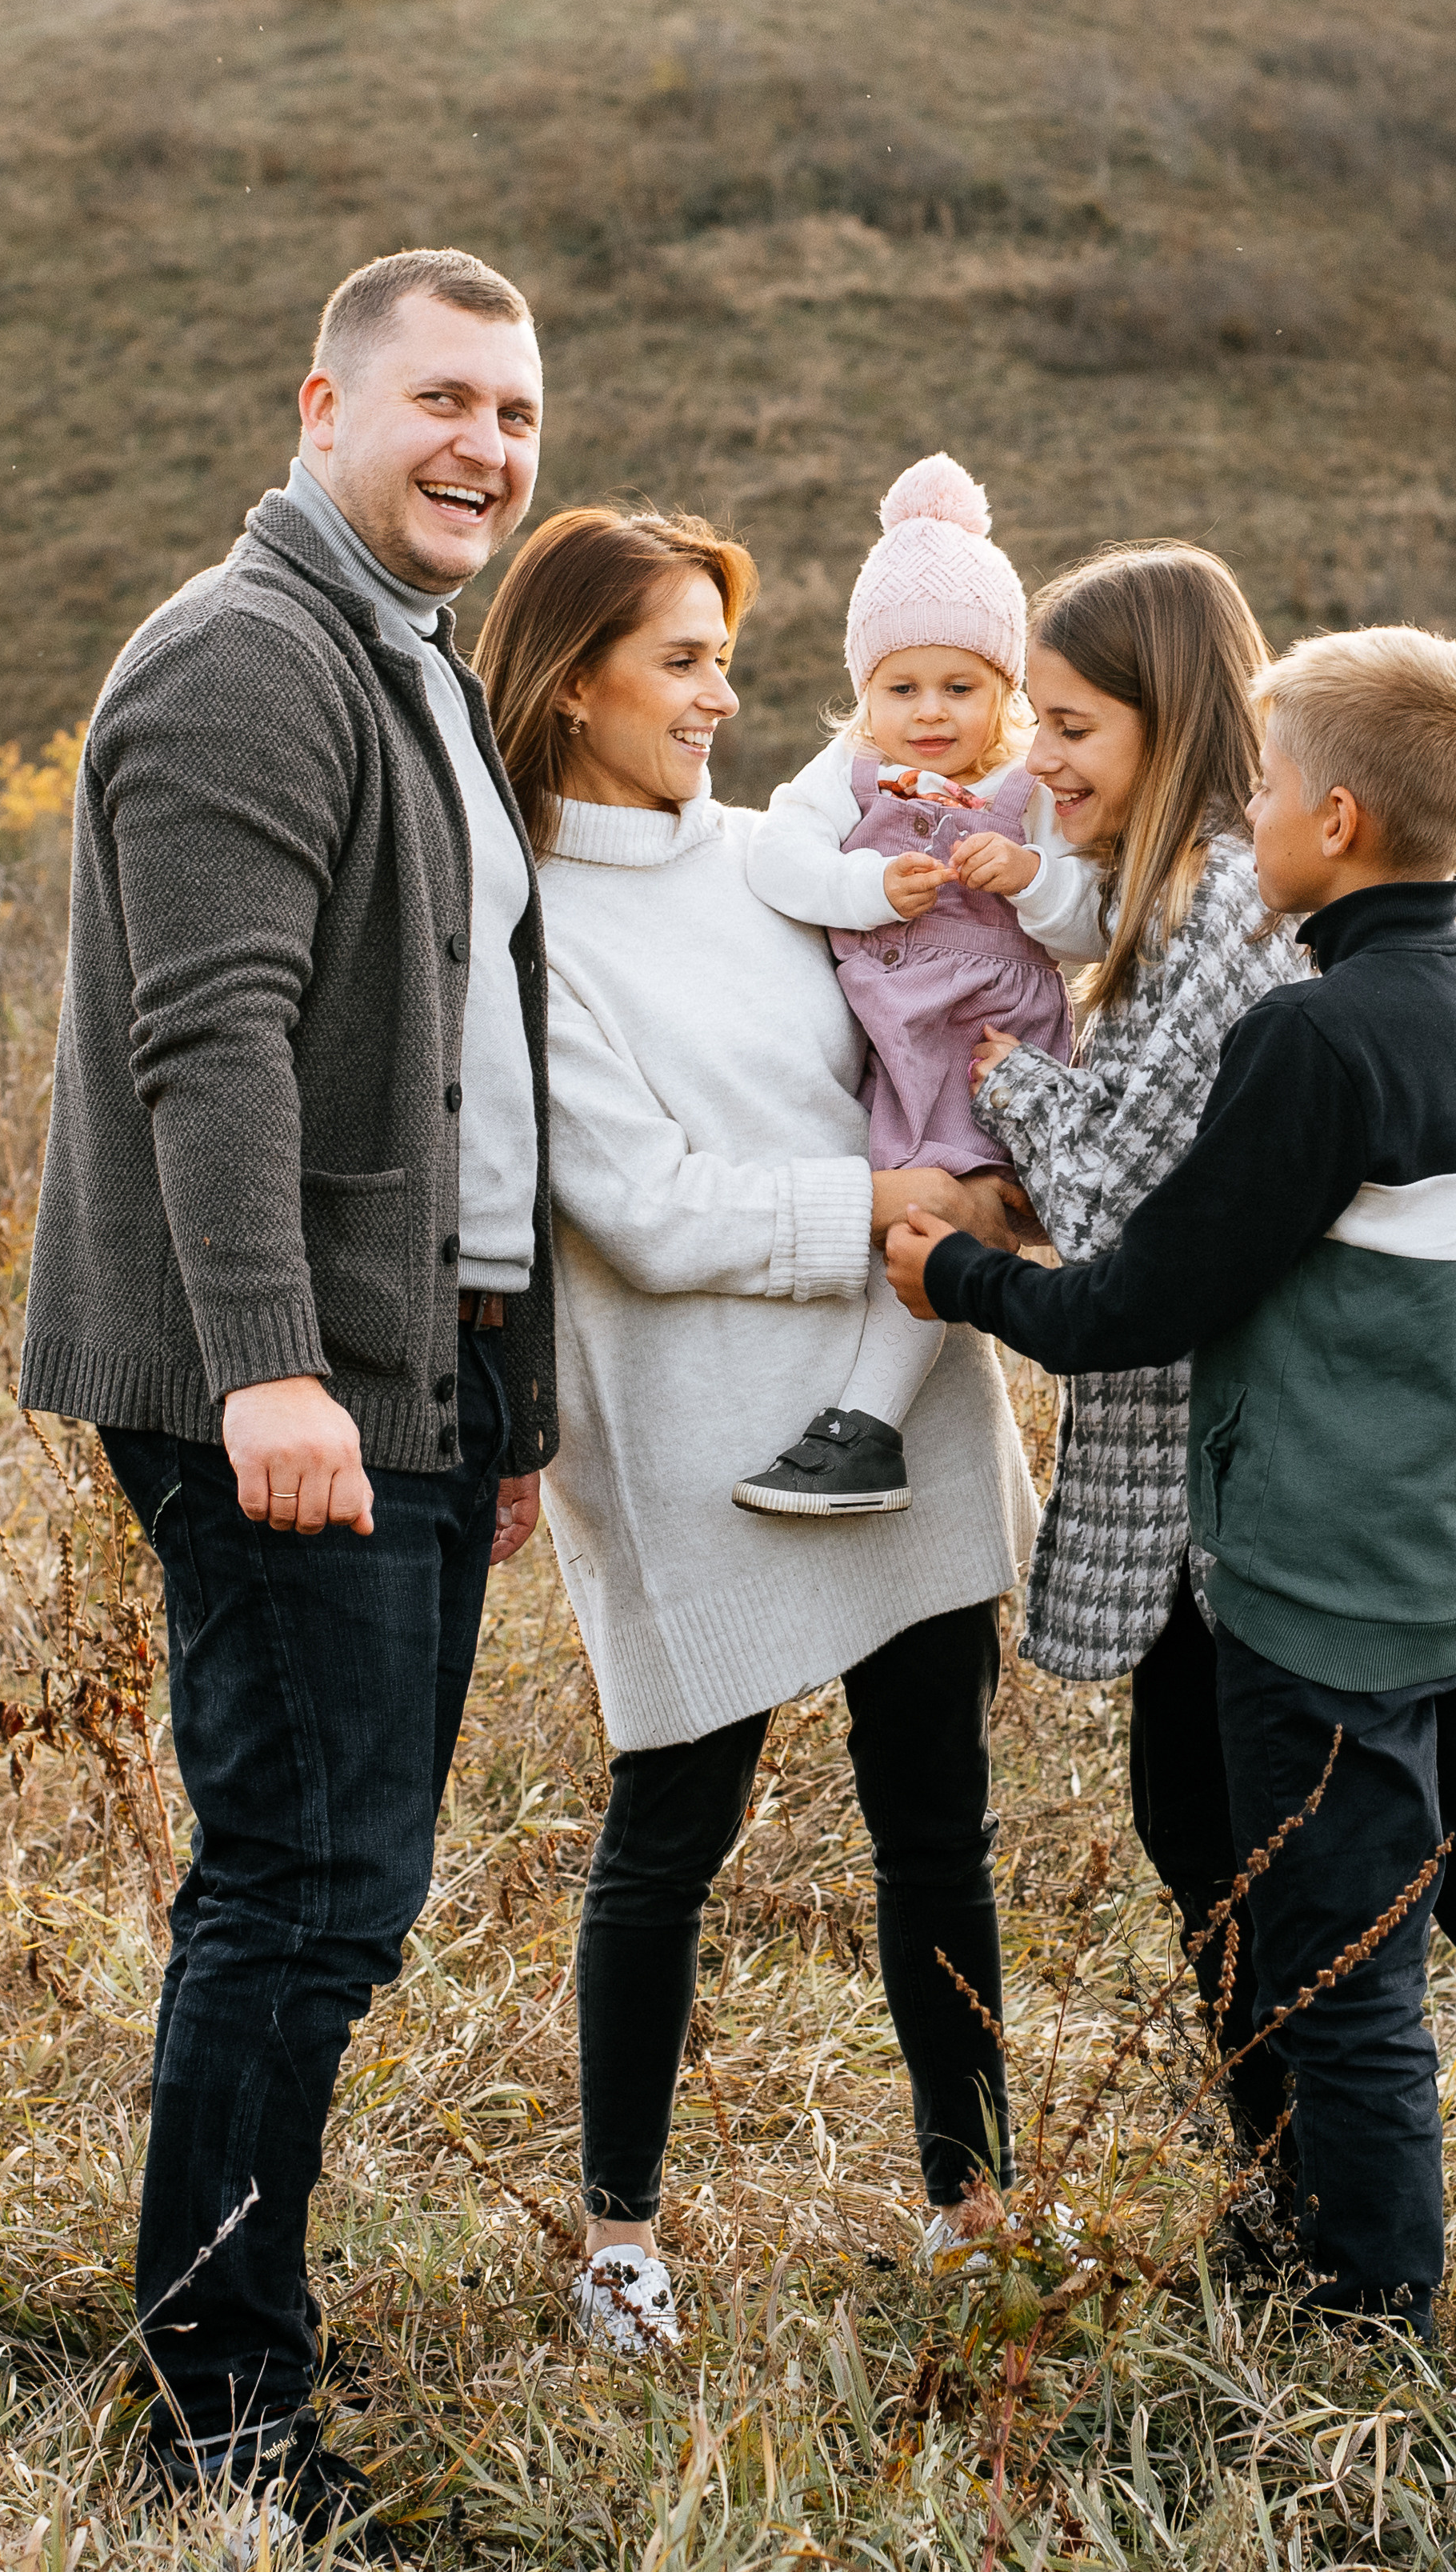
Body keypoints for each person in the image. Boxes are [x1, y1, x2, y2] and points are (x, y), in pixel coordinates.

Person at [888, 623, 1456, 2342]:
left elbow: (1137, 1301)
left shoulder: (1315, 1038)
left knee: (1343, 1974)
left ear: (1341, 819)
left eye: (1271, 786)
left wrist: (962, 1278)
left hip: (1324, 1595)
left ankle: (1365, 2321)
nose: (1249, 814)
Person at [18, 250, 557, 2535]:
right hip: (292, 1385)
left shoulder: (404, 659)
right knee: (300, 1885)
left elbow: (460, 1063)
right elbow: (208, 1042)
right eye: (444, 399)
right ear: (325, 402)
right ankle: (223, 2412)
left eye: (520, 416)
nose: (488, 449)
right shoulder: (247, 657)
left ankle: (227, 2338)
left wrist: (494, 1401)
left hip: (405, 1375)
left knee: (339, 1884)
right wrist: (274, 1369)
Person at [468, 503, 1038, 2354]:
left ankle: (975, 2201)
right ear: (573, 685)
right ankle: (619, 2232)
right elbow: (645, 1207)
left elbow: (924, 1039)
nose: (726, 695)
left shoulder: (779, 857)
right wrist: (893, 1222)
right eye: (684, 659)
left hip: (903, 1396)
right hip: (694, 1426)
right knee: (668, 1834)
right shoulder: (523, 920)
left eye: (727, 653)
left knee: (933, 1827)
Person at [961, 546, 1308, 2175]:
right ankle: (1283, 2169)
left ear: (1171, 721)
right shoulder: (1166, 906)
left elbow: (1118, 1203)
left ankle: (1314, 2189)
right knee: (1196, 1832)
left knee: (1234, 1841)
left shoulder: (1231, 908)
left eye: (1073, 721)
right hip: (1188, 1460)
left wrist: (1008, 1086)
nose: (1040, 755)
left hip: (1237, 1465)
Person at [738, 453, 1102, 1518]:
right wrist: (864, 885)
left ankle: (869, 1425)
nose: (929, 712)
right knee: (880, 1210)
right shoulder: (841, 773)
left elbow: (1092, 915)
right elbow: (775, 857)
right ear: (864, 689)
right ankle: (848, 1405)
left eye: (961, 686)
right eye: (901, 688)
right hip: (887, 1034)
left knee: (932, 1216)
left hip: (984, 1037)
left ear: (1005, 691)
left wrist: (1031, 879)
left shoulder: (1024, 788)